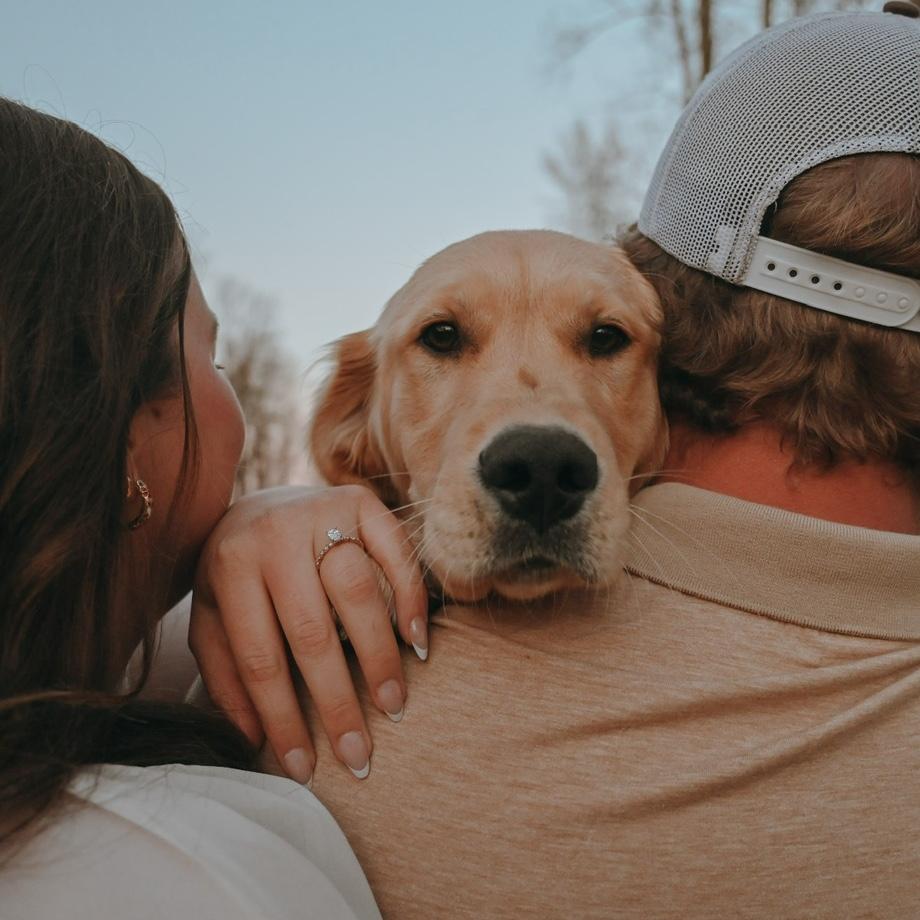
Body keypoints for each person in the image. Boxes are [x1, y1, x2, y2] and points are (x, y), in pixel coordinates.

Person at [188, 5, 920, 919]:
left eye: (605, 339)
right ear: (356, 437)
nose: (539, 436)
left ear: (681, 364)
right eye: (445, 340)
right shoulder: (272, 622)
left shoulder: (254, 716)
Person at [0, 97, 435, 919]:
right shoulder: (190, 872)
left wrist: (262, 524)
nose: (232, 404)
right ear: (127, 432)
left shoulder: (90, 673)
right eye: (217, 357)